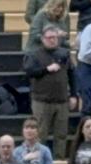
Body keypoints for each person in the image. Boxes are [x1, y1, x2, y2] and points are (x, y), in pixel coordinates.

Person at [26, 28, 76, 156]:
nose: (53, 40)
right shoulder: (34, 54)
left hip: (62, 100)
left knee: (61, 134)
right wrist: (47, 69)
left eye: (55, 37)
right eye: (49, 38)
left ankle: (59, 160)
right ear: (42, 39)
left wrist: (74, 95)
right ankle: (39, 160)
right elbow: (29, 72)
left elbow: (72, 75)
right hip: (42, 101)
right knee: (40, 134)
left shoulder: (65, 53)